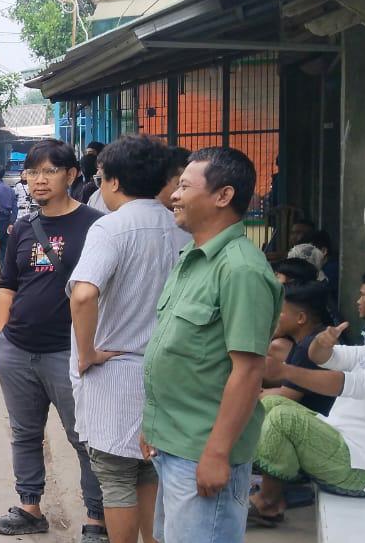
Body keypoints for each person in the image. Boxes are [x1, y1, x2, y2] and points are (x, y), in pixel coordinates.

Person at [142, 147, 282, 543]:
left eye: (185, 187)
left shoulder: (241, 270)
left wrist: (218, 453)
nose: (174, 195)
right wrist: (154, 425)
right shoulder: (193, 257)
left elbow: (249, 370)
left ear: (223, 196)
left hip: (202, 451)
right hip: (174, 442)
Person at [68, 135, 187, 543]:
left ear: (114, 181)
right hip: (166, 373)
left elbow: (83, 294)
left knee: (117, 478)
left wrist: (87, 353)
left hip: (116, 376)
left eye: (101, 177)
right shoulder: (180, 228)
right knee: (149, 471)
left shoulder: (111, 227)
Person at [0, 140, 105, 542]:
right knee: (25, 433)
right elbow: (8, 284)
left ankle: (97, 518)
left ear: (71, 175)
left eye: (49, 171)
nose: (39, 180)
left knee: (83, 437)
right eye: (33, 172)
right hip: (17, 349)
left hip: (68, 352)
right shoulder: (23, 226)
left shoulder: (94, 225)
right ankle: (29, 508)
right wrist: (2, 336)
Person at [250, 295, 365, 527]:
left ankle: (268, 502)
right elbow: (322, 357)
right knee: (272, 404)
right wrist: (321, 343)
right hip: (342, 448)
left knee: (284, 419)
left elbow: (349, 383)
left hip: (362, 471)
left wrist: (285, 371)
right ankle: (276, 487)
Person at [261, 282, 336, 416]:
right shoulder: (312, 338)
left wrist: (251, 392)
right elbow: (291, 383)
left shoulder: (307, 347)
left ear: (301, 318)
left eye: (279, 312)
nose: (273, 316)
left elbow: (285, 397)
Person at [0, 165, 18, 262]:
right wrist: (12, 222)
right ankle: (4, 269)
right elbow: (15, 208)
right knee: (5, 249)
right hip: (7, 221)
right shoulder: (10, 190)